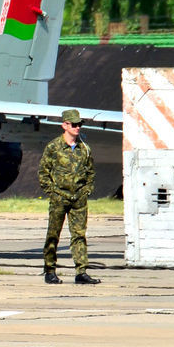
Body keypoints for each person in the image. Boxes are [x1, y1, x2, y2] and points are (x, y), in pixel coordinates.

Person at [38, 108, 99, 284]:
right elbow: (43, 172)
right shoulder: (54, 147)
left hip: (79, 199)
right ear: (64, 125)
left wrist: (86, 190)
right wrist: (52, 192)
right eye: (74, 124)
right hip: (59, 197)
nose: (77, 128)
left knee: (79, 235)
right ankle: (49, 270)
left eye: (79, 124)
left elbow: (90, 172)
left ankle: (81, 272)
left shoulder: (84, 148)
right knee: (53, 235)